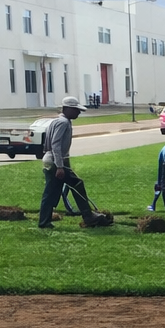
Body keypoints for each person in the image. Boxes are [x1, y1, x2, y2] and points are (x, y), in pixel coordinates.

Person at [38, 97, 107, 229]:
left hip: (50, 159)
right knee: (76, 184)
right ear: (67, 109)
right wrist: (59, 166)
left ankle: (45, 221)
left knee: (52, 192)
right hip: (54, 161)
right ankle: (88, 216)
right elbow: (55, 145)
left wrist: (65, 164)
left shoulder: (56, 121)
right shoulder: (63, 123)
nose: (78, 113)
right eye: (76, 110)